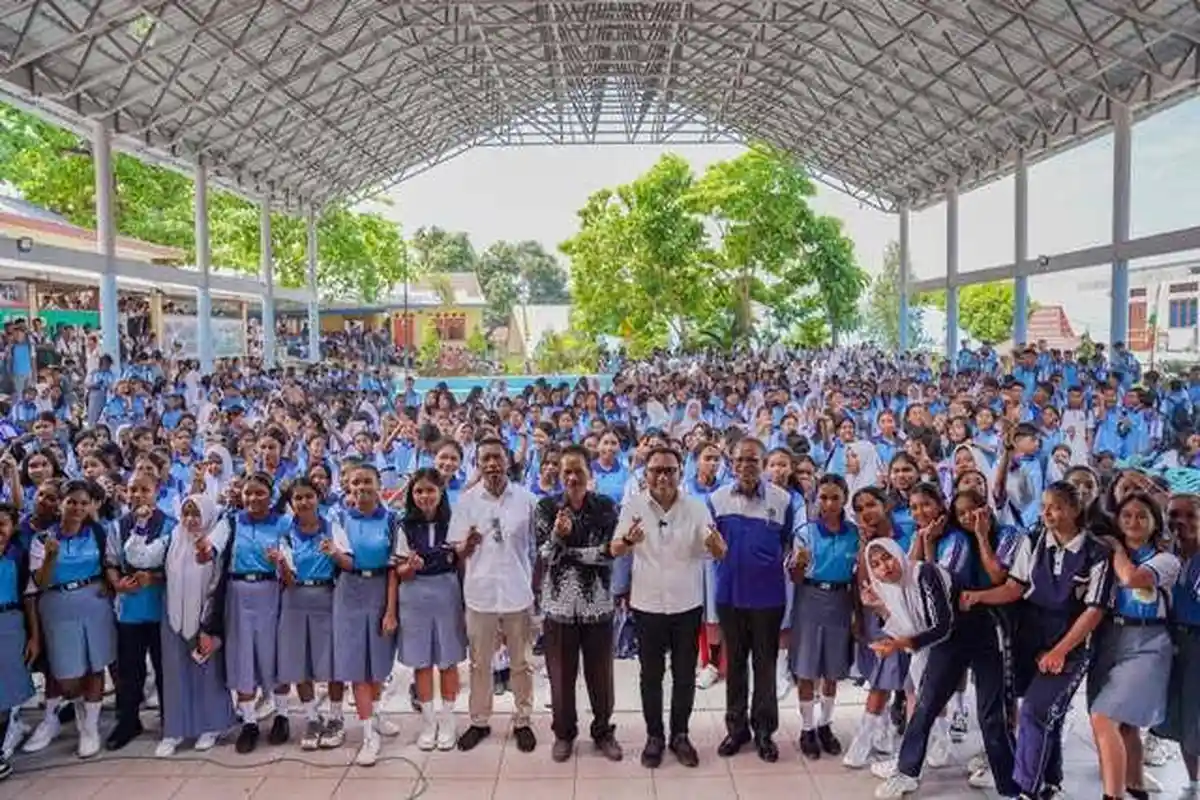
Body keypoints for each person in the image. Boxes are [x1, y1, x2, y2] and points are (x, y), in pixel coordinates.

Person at [613, 444, 725, 769]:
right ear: (645, 474)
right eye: (656, 470)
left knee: (684, 676)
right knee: (650, 675)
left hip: (686, 606)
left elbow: (718, 551)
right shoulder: (633, 505)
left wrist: (718, 545)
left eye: (669, 470)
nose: (662, 476)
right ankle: (654, 737)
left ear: (679, 473)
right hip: (647, 605)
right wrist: (628, 542)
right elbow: (615, 548)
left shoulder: (696, 507)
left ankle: (680, 735)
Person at [450, 438, 539, 754]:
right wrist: (467, 545)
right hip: (481, 594)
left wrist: (534, 588)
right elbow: (455, 551)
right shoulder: (466, 502)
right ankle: (479, 720)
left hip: (517, 592)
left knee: (521, 663)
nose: (492, 465)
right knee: (479, 664)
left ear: (508, 461)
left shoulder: (527, 500)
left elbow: (535, 549)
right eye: (485, 458)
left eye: (497, 458)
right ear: (478, 463)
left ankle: (523, 720)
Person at [709, 438, 795, 762]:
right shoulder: (716, 500)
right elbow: (709, 545)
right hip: (730, 595)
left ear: (762, 463)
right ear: (731, 464)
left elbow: (789, 545)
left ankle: (764, 731)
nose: (746, 466)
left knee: (765, 665)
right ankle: (736, 729)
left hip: (768, 598)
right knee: (735, 667)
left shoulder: (782, 500)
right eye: (740, 460)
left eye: (753, 460)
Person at [1088, 492, 1179, 800]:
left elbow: (1132, 578)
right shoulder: (1104, 554)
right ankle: (1135, 788)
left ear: (1155, 523)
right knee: (1126, 726)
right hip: (1110, 638)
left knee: (1103, 716)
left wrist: (1115, 548)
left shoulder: (1165, 559)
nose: (1133, 521)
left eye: (1142, 516)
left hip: (1148, 643)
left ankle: (1112, 796)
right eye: (1126, 515)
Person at [536, 444, 622, 763]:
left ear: (590, 473)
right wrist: (559, 537)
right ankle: (564, 734)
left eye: (578, 471)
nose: (572, 477)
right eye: (566, 472)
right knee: (560, 676)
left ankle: (602, 731)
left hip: (596, 603)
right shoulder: (546, 508)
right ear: (559, 475)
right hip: (558, 607)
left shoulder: (605, 507)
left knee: (600, 675)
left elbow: (609, 553)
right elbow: (545, 556)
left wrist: (568, 551)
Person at [325, 463, 410, 767]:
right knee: (356, 665)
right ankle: (367, 734)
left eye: (367, 482)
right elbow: (341, 559)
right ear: (348, 487)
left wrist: (390, 610)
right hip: (349, 592)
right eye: (355, 483)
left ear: (378, 485)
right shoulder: (339, 519)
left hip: (380, 590)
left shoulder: (391, 520)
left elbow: (392, 570)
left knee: (378, 662)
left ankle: (376, 712)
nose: (361, 487)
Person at [28, 479, 114, 758]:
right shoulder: (43, 538)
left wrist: (108, 584)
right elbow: (39, 583)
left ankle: (90, 726)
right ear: (61, 504)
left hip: (93, 603)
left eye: (83, 502)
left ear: (91, 506)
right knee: (62, 670)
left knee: (95, 664)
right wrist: (51, 557)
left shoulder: (99, 533)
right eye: (71, 502)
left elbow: (112, 564)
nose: (77, 507)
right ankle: (54, 717)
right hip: (57, 604)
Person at [158, 493, 235, 756]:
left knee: (208, 674)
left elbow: (216, 585)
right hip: (173, 618)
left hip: (205, 618)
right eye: (186, 513)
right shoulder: (174, 539)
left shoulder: (216, 542)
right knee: (175, 674)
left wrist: (209, 626)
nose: (190, 520)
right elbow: (144, 557)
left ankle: (211, 726)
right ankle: (175, 730)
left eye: (196, 514)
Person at [104, 473, 175, 751]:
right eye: (133, 490)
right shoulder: (117, 526)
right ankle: (128, 720)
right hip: (128, 609)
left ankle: (170, 718)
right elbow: (110, 561)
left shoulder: (170, 525)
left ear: (157, 491)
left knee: (163, 666)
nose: (138, 495)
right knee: (129, 669)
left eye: (145, 489)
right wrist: (117, 583)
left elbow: (176, 566)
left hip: (159, 607)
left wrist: (154, 578)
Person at [274, 478, 346, 751]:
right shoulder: (286, 534)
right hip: (294, 599)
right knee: (298, 660)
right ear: (292, 504)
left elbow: (348, 562)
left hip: (326, 597)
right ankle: (312, 718)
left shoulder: (332, 527)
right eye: (298, 498)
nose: (303, 502)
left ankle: (336, 717)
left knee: (331, 661)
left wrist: (336, 553)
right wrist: (282, 566)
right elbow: (289, 580)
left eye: (308, 497)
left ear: (318, 498)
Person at [397, 468, 465, 752]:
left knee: (448, 661)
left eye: (430, 490)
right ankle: (429, 722)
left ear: (441, 493)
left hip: (447, 592)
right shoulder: (404, 526)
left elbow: (462, 564)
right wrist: (409, 568)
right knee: (421, 663)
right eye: (419, 491)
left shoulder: (455, 523)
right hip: (414, 596)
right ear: (412, 496)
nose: (425, 496)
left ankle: (448, 721)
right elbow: (398, 570)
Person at [0, 504, 35, 779]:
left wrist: (34, 634)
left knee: (6, 690)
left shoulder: (17, 556)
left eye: (4, 524)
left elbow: (29, 596)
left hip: (10, 623)